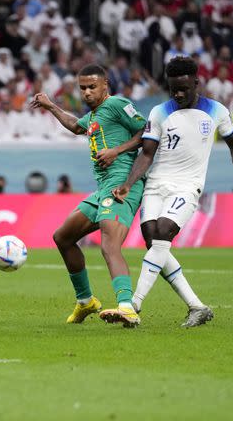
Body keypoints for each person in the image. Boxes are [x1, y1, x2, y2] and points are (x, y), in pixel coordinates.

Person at [109, 57, 233, 327]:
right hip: (156, 183)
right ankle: (197, 306)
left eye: (183, 89)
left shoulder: (216, 111)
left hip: (188, 185)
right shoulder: (159, 112)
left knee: (164, 232)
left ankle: (133, 305)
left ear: (196, 82)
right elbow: (147, 153)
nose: (178, 94)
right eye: (173, 89)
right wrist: (129, 183)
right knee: (152, 239)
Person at [31, 64, 146, 327]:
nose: (86, 92)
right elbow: (75, 126)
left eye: (92, 87)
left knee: (109, 244)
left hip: (123, 184)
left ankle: (127, 307)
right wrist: (51, 106)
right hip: (103, 188)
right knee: (63, 237)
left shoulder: (118, 104)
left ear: (105, 84)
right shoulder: (94, 116)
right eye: (82, 88)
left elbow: (148, 132)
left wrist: (117, 150)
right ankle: (86, 301)